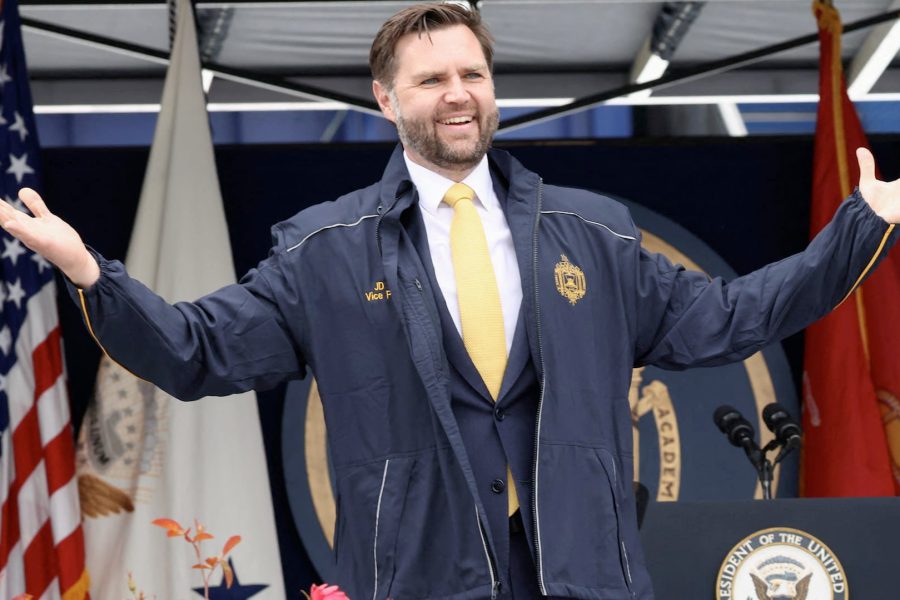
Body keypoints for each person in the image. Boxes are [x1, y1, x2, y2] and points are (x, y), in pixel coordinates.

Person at [2, 3, 899, 599]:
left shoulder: (594, 232)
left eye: (473, 75)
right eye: (432, 80)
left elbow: (733, 319)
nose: (459, 95)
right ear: (387, 100)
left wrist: (858, 228)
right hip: (418, 576)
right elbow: (198, 351)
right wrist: (91, 274)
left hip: (578, 572)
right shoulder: (325, 248)